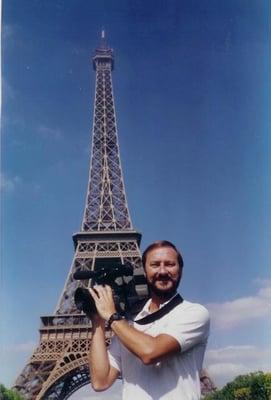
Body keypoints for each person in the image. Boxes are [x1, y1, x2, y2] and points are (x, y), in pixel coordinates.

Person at [88, 240, 210, 400]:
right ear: (144, 272)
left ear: (180, 271)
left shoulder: (194, 313)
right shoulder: (129, 325)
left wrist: (111, 316)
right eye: (155, 264)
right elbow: (100, 382)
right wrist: (98, 321)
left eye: (170, 264)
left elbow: (150, 353)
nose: (163, 271)